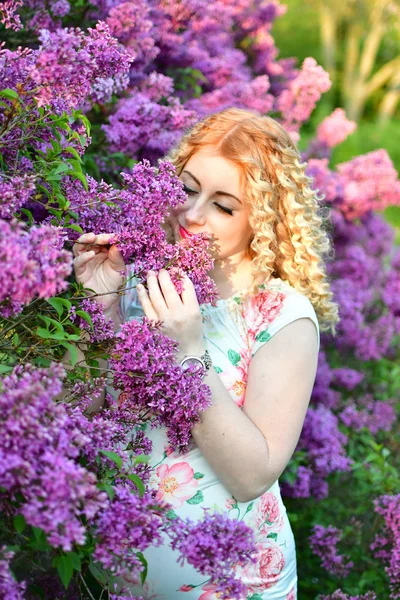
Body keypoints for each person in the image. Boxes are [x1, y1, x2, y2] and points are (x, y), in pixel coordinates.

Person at [72, 108, 339, 599]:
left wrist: (188, 352)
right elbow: (79, 415)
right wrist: (100, 308)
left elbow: (252, 475)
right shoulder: (142, 279)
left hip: (236, 585)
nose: (193, 215)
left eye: (223, 205)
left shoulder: (281, 315)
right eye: (188, 188)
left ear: (263, 218)